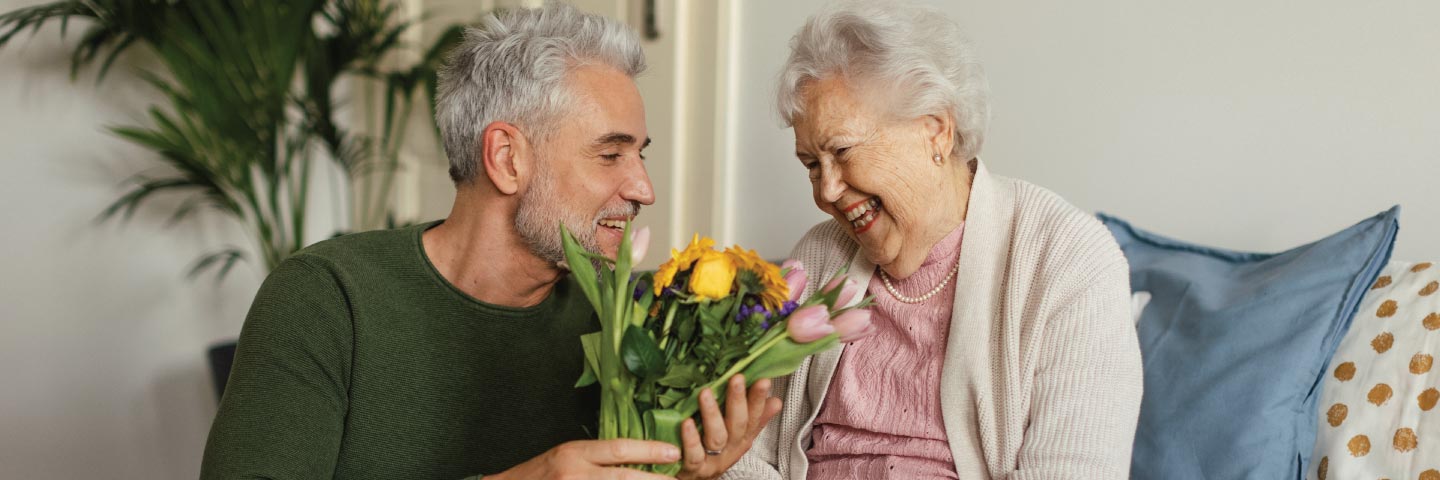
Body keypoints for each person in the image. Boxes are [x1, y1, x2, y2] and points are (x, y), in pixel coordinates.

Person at [200, 3, 779, 479]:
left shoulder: (634, 320)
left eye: (640, 155)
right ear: (506, 159)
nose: (644, 188)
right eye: (611, 154)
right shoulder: (328, 298)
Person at [722, 2, 1143, 479]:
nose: (826, 191)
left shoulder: (1067, 259)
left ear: (936, 131)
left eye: (841, 151)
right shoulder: (819, 257)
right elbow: (744, 451)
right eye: (812, 164)